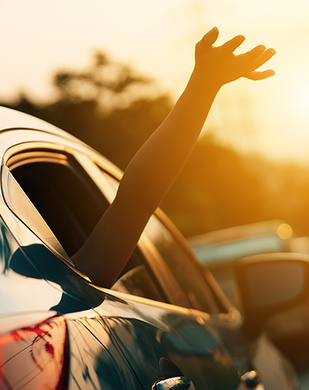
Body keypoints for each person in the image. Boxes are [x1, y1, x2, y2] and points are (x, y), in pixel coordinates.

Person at [71, 27, 276, 287]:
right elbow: (137, 199)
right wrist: (205, 83)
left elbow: (138, 199)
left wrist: (206, 83)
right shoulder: (62, 288)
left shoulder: (58, 287)